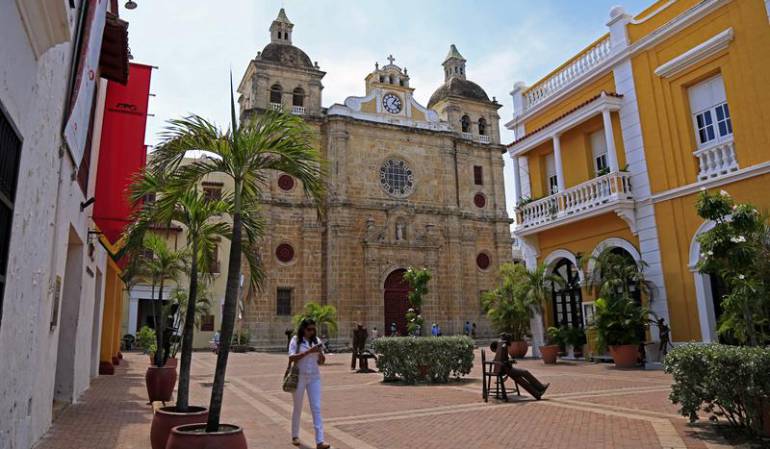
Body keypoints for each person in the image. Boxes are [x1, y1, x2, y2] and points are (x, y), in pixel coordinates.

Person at [288, 318, 330, 449]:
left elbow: (321, 362)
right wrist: (308, 352)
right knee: (298, 407)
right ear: (303, 329)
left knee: (316, 408)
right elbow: (291, 357)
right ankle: (295, 435)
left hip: (314, 378)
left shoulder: (316, 341)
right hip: (299, 377)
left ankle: (320, 441)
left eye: (313, 329)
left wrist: (321, 354)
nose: (311, 332)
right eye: (309, 329)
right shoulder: (296, 340)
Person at [491, 333, 549, 400]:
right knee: (525, 372)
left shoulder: (501, 345)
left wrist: (509, 361)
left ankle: (536, 394)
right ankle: (540, 387)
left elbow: (502, 359)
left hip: (505, 369)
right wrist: (511, 361)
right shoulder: (503, 346)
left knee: (519, 379)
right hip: (507, 369)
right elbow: (503, 361)